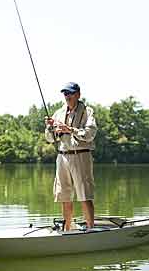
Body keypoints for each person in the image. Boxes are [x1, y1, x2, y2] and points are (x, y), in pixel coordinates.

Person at [45, 82, 97, 231]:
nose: (67, 96)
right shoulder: (59, 112)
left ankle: (91, 229)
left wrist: (70, 129)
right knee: (64, 195)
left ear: (78, 94)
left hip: (80, 155)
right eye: (65, 94)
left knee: (85, 195)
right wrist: (50, 128)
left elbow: (90, 134)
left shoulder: (87, 111)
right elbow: (50, 139)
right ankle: (67, 229)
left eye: (70, 93)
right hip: (62, 156)